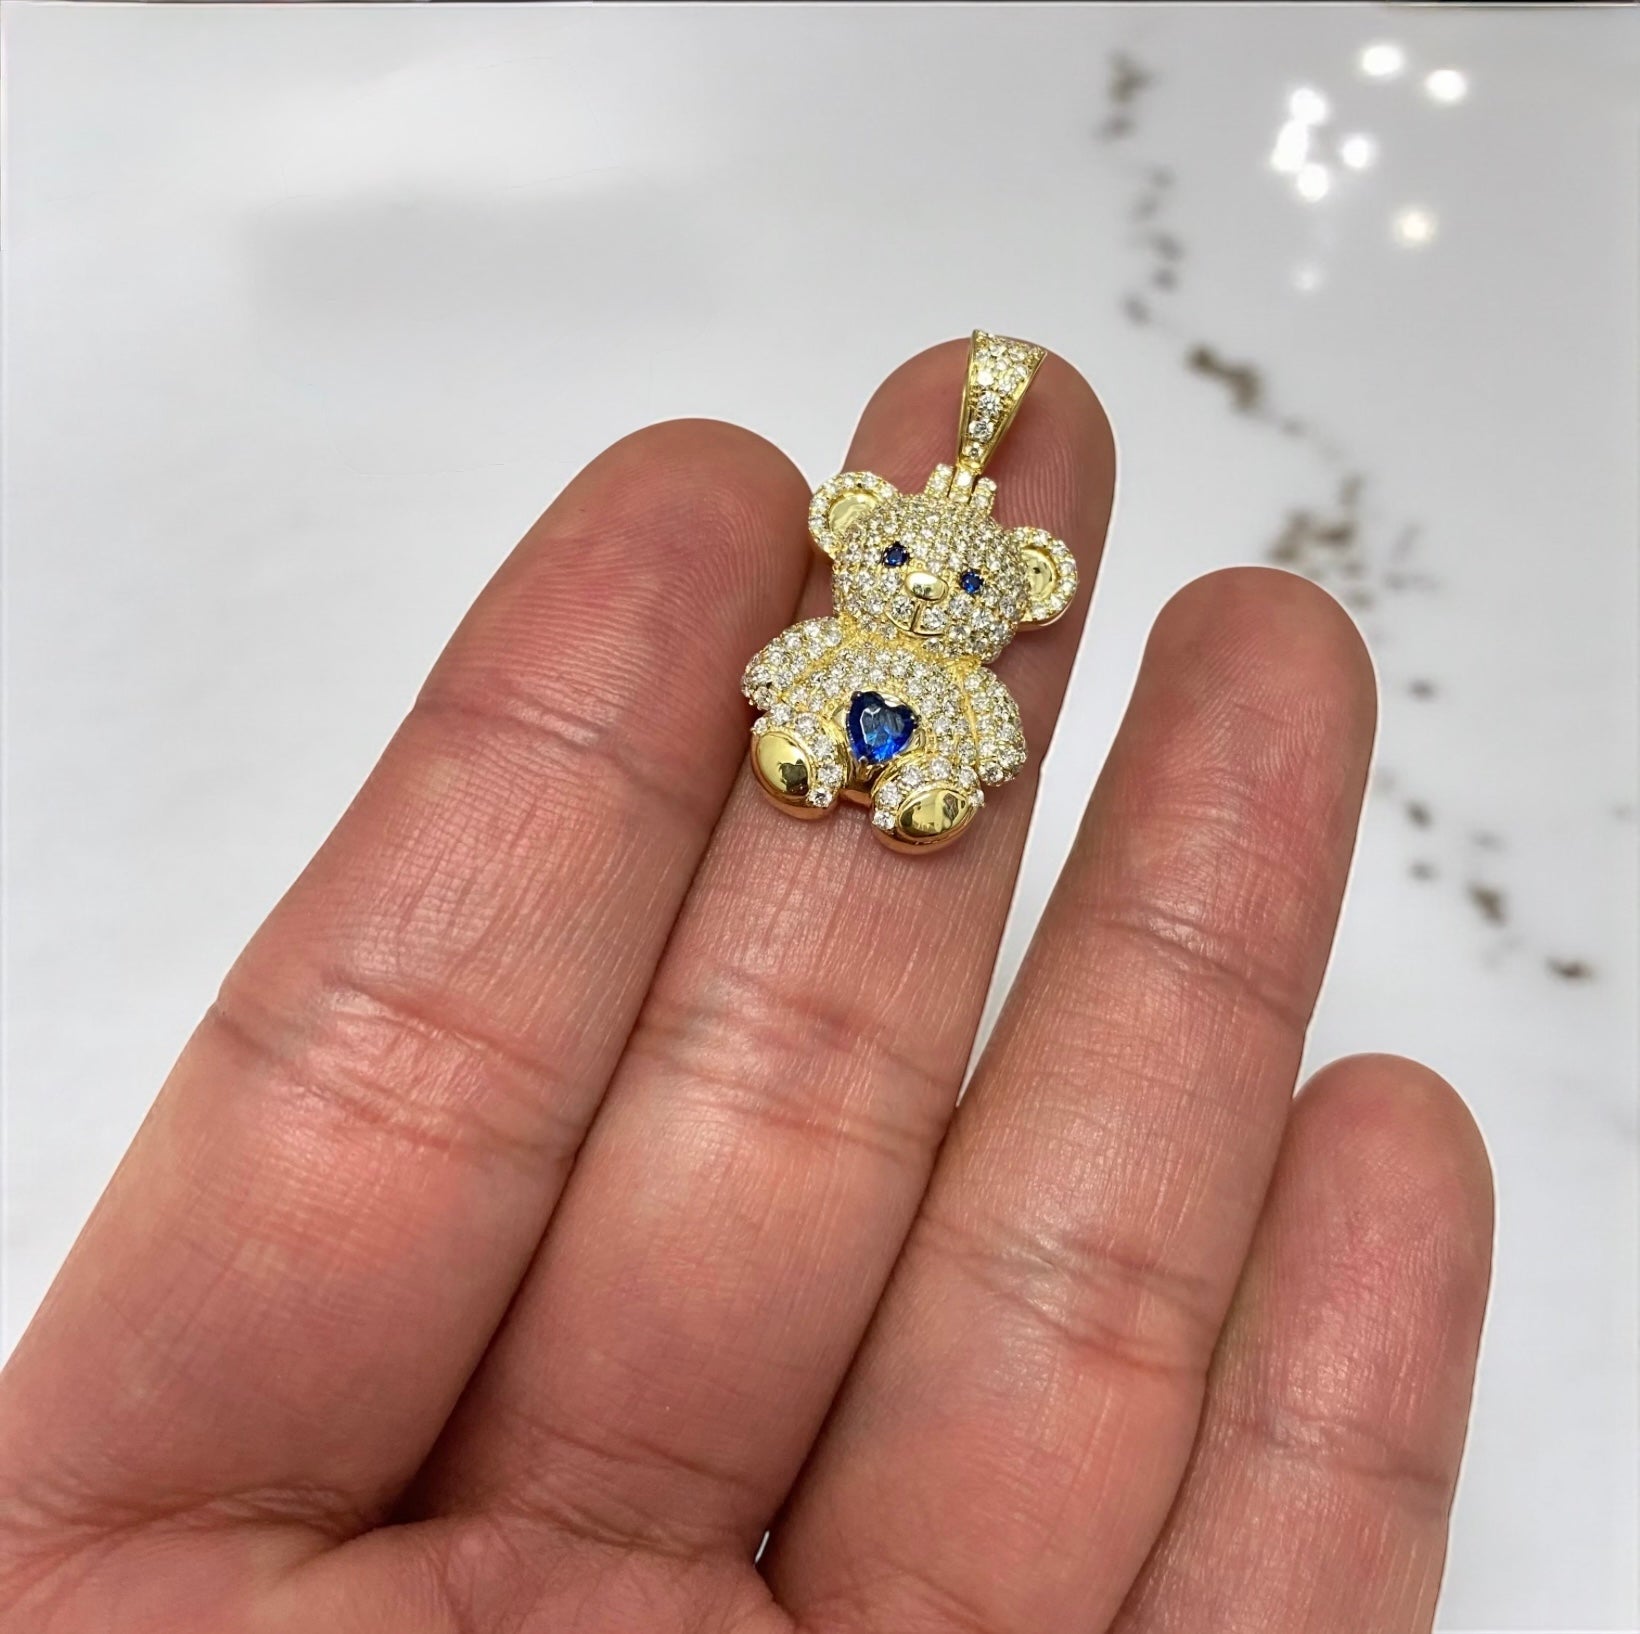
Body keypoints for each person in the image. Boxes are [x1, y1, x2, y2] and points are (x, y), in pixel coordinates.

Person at [0, 340, 1492, 1634]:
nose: (929, 587)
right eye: (900, 563)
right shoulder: (838, 620)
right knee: (799, 731)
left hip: (925, 740)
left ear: (1022, 592)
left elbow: (983, 727)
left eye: (971, 581)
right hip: (831, 713)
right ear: (859, 544)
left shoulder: (969, 664)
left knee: (935, 770)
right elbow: (788, 668)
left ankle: (897, 789)